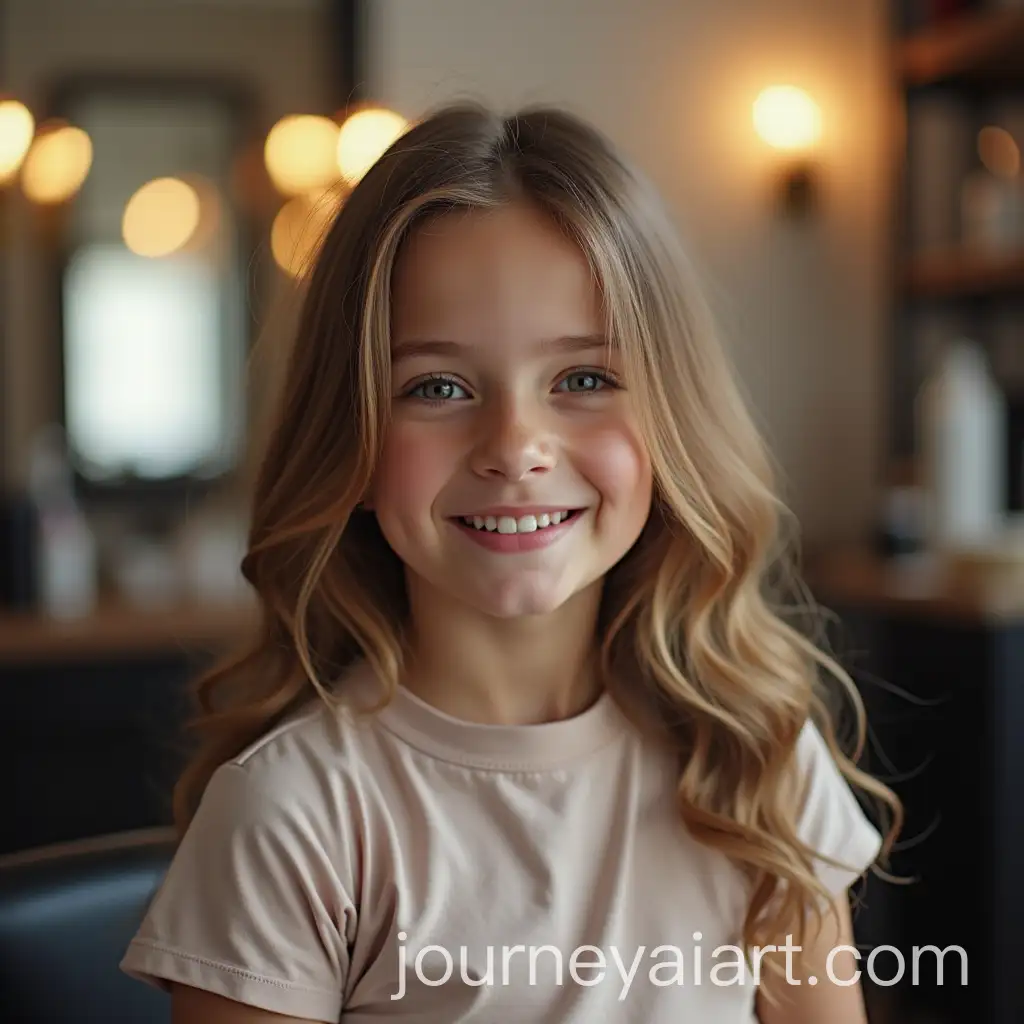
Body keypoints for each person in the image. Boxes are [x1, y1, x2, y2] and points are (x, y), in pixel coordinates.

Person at [120, 102, 901, 1023]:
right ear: (353, 444)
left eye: (582, 379)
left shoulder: (757, 764)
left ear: (669, 425)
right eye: (438, 387)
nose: (515, 446)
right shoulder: (292, 821)